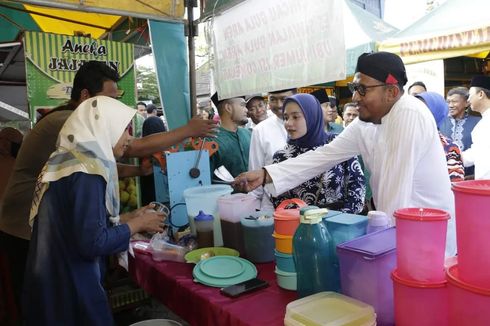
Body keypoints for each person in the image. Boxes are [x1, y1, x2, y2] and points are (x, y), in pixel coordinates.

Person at [0, 61, 216, 317]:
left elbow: (88, 212)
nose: (126, 136)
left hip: (54, 248)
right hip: (35, 241)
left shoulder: (84, 158)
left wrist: (129, 212)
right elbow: (91, 241)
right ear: (95, 110)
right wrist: (187, 131)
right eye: (119, 124)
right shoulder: (80, 148)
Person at [234, 52, 456, 257]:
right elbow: (324, 155)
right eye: (354, 87)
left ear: (391, 92)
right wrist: (266, 174)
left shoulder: (409, 114)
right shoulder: (366, 123)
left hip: (424, 236)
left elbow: (394, 195)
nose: (355, 98)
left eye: (362, 89)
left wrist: (378, 254)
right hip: (394, 231)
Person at [22, 96, 165, 325]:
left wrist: (129, 217)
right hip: (72, 284)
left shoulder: (66, 160)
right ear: (104, 126)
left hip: (51, 278)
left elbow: (76, 222)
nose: (129, 137)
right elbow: (92, 242)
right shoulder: (87, 172)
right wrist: (137, 225)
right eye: (124, 129)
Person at [271, 94, 365, 213]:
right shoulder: (282, 157)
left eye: (295, 117)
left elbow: (357, 185)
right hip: (300, 225)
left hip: (340, 222)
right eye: (285, 117)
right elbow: (278, 199)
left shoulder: (338, 144)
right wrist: (306, 219)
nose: (288, 123)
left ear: (312, 116)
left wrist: (343, 217)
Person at [248, 88, 296, 210]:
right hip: (272, 206)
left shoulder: (309, 124)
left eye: (283, 99)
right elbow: (255, 171)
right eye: (273, 99)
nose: (279, 105)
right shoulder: (260, 130)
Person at [415, 92, 464, 182]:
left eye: (423, 110)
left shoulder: (450, 148)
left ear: (436, 113)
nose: (416, 113)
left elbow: (454, 182)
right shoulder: (401, 140)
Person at [439, 86, 480, 177]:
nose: (450, 105)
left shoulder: (478, 122)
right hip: (445, 175)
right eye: (448, 102)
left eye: (454, 101)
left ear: (466, 103)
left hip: (471, 176)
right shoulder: (440, 122)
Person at [209, 92, 251, 179]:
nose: (246, 110)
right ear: (228, 108)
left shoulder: (248, 134)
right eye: (242, 105)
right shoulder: (211, 141)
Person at [461, 75, 490, 179]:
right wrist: (454, 157)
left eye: (470, 95)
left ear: (481, 94)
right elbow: (477, 153)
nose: (468, 100)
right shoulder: (484, 121)